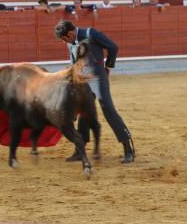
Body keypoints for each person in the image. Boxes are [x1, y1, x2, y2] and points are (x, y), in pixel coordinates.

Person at [54, 20, 135, 164]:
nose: (63, 41)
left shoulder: (91, 33)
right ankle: (80, 150)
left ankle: (128, 148)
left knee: (108, 109)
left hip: (98, 77)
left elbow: (113, 47)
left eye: (64, 38)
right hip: (83, 79)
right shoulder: (70, 43)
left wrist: (108, 67)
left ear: (71, 33)